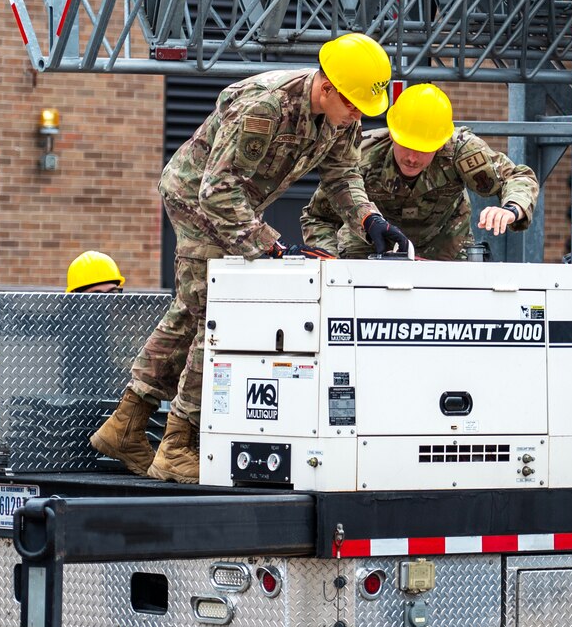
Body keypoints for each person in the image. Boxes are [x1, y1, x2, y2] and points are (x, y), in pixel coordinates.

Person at [88, 33, 410, 483]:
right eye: (354, 105)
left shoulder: (342, 115)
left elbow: (343, 175)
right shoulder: (266, 107)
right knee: (215, 313)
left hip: (236, 203)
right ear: (327, 88)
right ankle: (178, 444)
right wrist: (271, 246)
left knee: (190, 309)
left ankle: (126, 425)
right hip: (200, 199)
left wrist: (369, 219)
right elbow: (216, 190)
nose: (357, 115)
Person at [63, 249, 201, 627]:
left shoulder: (140, 345)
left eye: (115, 294)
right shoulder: (69, 353)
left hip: (135, 492)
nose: (109, 304)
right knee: (84, 621)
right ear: (75, 300)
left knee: (148, 610)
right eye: (97, 296)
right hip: (86, 496)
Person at [334, 84, 539, 261]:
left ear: (440, 144)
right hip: (369, 251)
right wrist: (329, 268)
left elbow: (517, 177)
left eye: (423, 149)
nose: (412, 158)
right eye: (406, 145)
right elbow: (318, 216)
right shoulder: (362, 154)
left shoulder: (460, 149)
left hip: (446, 250)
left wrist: (511, 209)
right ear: (393, 135)